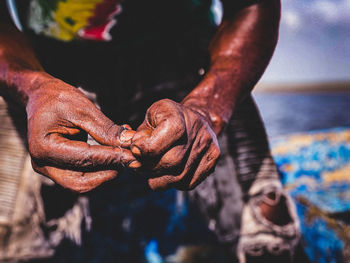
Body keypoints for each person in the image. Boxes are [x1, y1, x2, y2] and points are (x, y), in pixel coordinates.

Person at [0, 0, 299, 262]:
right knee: (11, 244)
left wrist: (207, 109)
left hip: (189, 69)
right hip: (45, 73)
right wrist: (33, 88)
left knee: (267, 237)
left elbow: (252, 6)